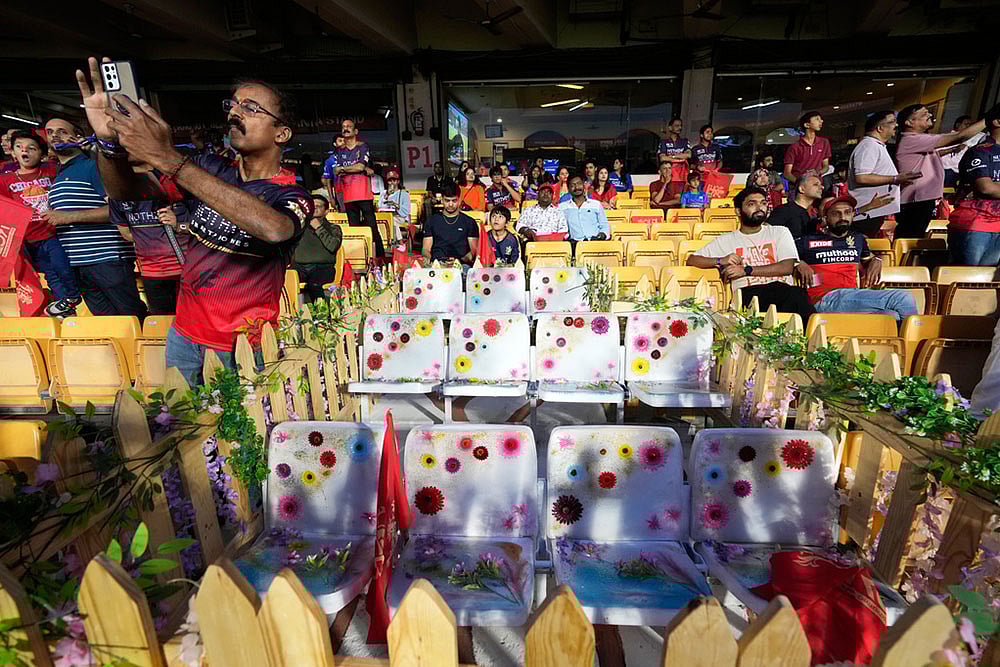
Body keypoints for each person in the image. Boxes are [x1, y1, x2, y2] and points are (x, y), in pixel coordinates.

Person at [78, 58, 313, 385]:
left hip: (244, 346)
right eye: (233, 105)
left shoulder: (293, 196)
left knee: (239, 434)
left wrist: (167, 157)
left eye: (251, 108)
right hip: (184, 338)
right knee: (181, 428)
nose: (235, 113)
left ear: (282, 133)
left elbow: (274, 229)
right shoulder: (209, 168)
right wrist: (108, 145)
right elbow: (126, 191)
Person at [44, 117, 145, 319]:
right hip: (78, 263)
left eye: (62, 131)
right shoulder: (60, 175)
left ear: (78, 137)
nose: (55, 135)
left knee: (132, 319)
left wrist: (68, 217)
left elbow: (120, 209)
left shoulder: (94, 167)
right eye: (49, 131)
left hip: (107, 259)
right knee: (107, 324)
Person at [688, 187, 814, 325]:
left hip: (785, 294)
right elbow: (692, 260)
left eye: (763, 203)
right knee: (796, 297)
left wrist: (746, 270)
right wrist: (720, 260)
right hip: (748, 295)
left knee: (796, 296)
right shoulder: (727, 239)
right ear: (738, 211)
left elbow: (786, 267)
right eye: (752, 204)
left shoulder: (780, 232)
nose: (759, 207)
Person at [795, 195, 917, 322]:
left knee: (892, 316)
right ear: (826, 218)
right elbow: (785, 256)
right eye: (836, 214)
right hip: (824, 299)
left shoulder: (858, 239)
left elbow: (868, 258)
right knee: (903, 298)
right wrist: (798, 262)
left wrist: (877, 259)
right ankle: (916, 338)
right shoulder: (808, 240)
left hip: (851, 297)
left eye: (847, 212)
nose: (843, 218)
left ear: (853, 215)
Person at [0, 130, 81, 312]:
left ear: (42, 153)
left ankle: (73, 296)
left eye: (31, 148)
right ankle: (67, 310)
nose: (25, 151)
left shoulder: (52, 170)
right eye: (19, 147)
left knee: (62, 267)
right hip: (27, 239)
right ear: (13, 152)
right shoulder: (5, 180)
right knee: (51, 275)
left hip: (52, 232)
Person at [895, 104, 985, 238]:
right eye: (924, 114)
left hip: (920, 199)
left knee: (914, 236)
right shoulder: (912, 139)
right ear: (909, 122)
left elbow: (932, 154)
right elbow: (960, 136)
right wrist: (989, 118)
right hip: (916, 201)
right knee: (910, 238)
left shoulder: (917, 140)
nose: (930, 115)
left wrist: (950, 150)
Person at [109, 158, 184, 315]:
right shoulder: (118, 194)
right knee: (161, 322)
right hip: (152, 272)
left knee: (192, 318)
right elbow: (127, 234)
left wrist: (178, 224)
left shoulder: (170, 183)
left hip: (185, 268)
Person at [848, 111, 915, 237]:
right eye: (891, 122)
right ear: (879, 128)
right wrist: (895, 178)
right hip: (867, 211)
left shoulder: (876, 146)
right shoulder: (868, 146)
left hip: (874, 210)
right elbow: (861, 177)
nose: (896, 125)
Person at [948, 104, 1000, 266]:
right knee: (967, 282)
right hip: (976, 224)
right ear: (997, 122)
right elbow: (986, 188)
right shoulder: (980, 151)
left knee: (989, 287)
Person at [333, 119, 383, 260]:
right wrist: (354, 169)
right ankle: (361, 259)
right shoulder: (339, 151)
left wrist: (347, 169)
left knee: (372, 228)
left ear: (355, 131)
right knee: (354, 230)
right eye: (343, 127)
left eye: (349, 126)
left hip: (363, 194)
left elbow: (360, 167)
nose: (346, 129)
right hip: (348, 195)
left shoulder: (362, 147)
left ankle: (380, 259)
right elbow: (337, 171)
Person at [292, 194, 342, 302]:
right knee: (280, 279)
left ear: (326, 211)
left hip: (323, 268)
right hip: (300, 268)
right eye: (312, 206)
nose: (314, 208)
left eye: (318, 206)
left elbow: (333, 246)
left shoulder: (334, 228)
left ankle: (322, 315)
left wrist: (318, 228)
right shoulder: (299, 227)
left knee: (314, 284)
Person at [422, 182, 478, 266]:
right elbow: (425, 249)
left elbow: (474, 251)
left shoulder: (469, 222)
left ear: (459, 199)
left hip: (461, 264)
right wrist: (429, 259)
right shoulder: (431, 221)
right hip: (437, 264)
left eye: (454, 200)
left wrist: (459, 261)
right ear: (442, 200)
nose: (451, 204)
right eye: (447, 201)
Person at [768, 174, 823, 239]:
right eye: (816, 184)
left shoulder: (808, 214)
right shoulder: (784, 210)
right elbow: (768, 232)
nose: (822, 187)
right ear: (802, 189)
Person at [783, 111, 831, 184]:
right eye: (817, 119)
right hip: (798, 187)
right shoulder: (794, 147)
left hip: (816, 184)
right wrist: (800, 184)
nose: (821, 121)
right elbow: (787, 174)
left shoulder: (824, 142)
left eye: (821, 119)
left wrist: (818, 172)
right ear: (807, 124)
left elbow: (826, 166)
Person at [559, 175, 608, 243]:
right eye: (573, 185)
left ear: (583, 186)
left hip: (596, 243)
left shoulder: (596, 205)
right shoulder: (562, 207)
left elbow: (604, 226)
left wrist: (601, 236)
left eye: (579, 184)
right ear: (568, 189)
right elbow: (561, 229)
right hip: (575, 245)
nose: (576, 187)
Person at [941, 115, 985, 188]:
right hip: (947, 170)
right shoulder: (946, 137)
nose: (969, 127)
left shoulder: (976, 138)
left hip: (965, 172)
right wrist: (953, 149)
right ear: (958, 125)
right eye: (966, 124)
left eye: (970, 125)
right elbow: (936, 153)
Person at [657, 117, 691, 190]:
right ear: (670, 128)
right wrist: (680, 158)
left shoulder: (684, 141)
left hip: (682, 176)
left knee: (681, 197)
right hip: (668, 175)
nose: (680, 127)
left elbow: (688, 155)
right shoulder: (664, 142)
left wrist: (672, 156)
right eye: (677, 126)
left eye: (680, 125)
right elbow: (662, 158)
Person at [378, 169, 410, 245]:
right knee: (388, 220)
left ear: (398, 181)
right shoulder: (384, 193)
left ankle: (400, 241)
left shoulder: (404, 193)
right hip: (386, 217)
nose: (392, 182)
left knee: (392, 221)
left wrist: (395, 205)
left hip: (400, 217)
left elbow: (406, 211)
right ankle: (386, 242)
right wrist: (386, 196)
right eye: (390, 180)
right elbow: (380, 207)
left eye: (394, 180)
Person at [322, 136, 346, 210]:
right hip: (340, 191)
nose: (343, 142)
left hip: (354, 189)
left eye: (344, 140)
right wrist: (331, 198)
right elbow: (328, 180)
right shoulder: (330, 160)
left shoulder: (353, 156)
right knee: (344, 214)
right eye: (340, 141)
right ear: (335, 144)